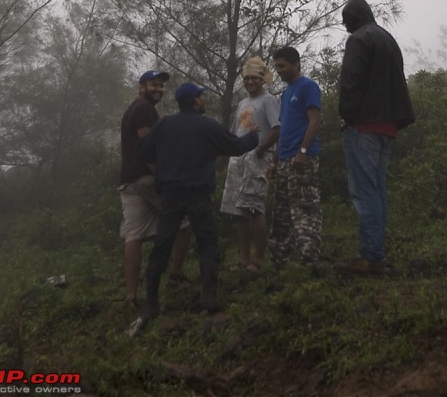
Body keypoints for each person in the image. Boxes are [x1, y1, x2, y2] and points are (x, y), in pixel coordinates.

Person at [137, 82, 259, 320]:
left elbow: (143, 151)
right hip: (197, 194)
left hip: (170, 194)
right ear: (194, 100)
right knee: (207, 243)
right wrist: (253, 137)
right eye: (201, 97)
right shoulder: (206, 126)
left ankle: (152, 304)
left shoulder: (164, 125)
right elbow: (235, 146)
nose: (204, 100)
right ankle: (210, 298)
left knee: (162, 245)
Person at [336, 0, 415, 276]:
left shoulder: (359, 39)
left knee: (364, 192)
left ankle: (370, 257)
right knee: (377, 192)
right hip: (387, 126)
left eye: (346, 22)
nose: (346, 28)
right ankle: (375, 255)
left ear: (352, 19)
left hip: (364, 126)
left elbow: (351, 82)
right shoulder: (387, 38)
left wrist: (347, 116)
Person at [118, 70, 190, 306]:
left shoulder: (132, 108)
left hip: (129, 182)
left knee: (134, 236)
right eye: (153, 85)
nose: (158, 89)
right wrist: (162, 175)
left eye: (161, 86)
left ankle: (131, 295)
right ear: (142, 86)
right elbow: (147, 146)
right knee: (184, 221)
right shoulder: (144, 109)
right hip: (148, 178)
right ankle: (175, 275)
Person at [220, 57, 280, 273]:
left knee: (254, 208)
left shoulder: (268, 100)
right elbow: (237, 132)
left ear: (262, 79)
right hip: (238, 158)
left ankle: (259, 259)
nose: (250, 82)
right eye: (246, 78)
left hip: (258, 157)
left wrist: (261, 150)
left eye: (254, 78)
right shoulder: (242, 104)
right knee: (239, 211)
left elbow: (277, 129)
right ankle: (244, 259)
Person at [268, 46, 322, 268]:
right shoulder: (285, 93)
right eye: (277, 67)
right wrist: (274, 161)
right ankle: (280, 261)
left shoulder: (308, 87)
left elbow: (314, 120)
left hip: (303, 159)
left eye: (283, 66)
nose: (279, 71)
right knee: (281, 213)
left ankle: (309, 260)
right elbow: (284, 129)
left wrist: (302, 151)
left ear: (296, 64)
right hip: (284, 160)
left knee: (304, 209)